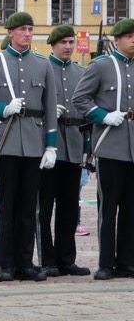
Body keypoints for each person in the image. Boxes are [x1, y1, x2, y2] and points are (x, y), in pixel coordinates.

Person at [0, 12, 57, 282]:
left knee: (29, 207)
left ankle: (25, 263)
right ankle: (5, 263)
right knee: (6, 206)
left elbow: (49, 108)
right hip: (5, 142)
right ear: (10, 32)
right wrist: (2, 108)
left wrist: (51, 145)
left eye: (30, 29)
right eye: (22, 29)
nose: (27, 34)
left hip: (33, 143)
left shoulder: (42, 64)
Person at [72, 17, 134, 280]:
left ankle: (127, 262)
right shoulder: (101, 66)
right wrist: (103, 116)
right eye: (129, 36)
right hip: (110, 146)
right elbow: (80, 98)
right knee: (108, 209)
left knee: (131, 209)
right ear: (117, 40)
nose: (133, 40)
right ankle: (106, 263)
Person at [38, 25, 91, 277]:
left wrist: (87, 149)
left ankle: (66, 259)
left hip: (74, 144)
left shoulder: (81, 72)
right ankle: (47, 259)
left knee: (69, 207)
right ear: (53, 45)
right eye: (63, 42)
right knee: (44, 207)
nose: (68, 46)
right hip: (49, 146)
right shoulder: (43, 68)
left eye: (71, 42)